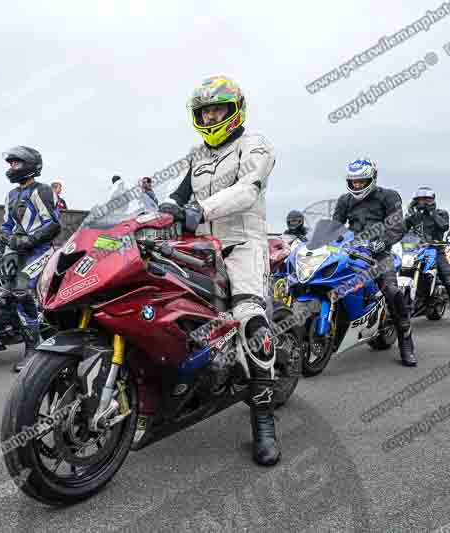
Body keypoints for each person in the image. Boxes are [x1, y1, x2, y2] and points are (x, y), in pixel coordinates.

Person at [158, 75, 281, 466]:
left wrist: (201, 210)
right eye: (205, 110)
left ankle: (263, 420)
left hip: (243, 244)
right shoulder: (197, 155)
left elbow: (249, 189)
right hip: (200, 248)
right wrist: (158, 211)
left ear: (235, 109)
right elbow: (176, 197)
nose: (211, 116)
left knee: (251, 322)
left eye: (218, 109)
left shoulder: (255, 145)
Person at [332, 158, 418, 366]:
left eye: (362, 181)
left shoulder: (388, 196)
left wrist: (381, 243)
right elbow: (334, 227)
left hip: (380, 253)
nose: (358, 186)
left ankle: (406, 340)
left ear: (372, 178)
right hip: (352, 251)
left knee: (391, 291)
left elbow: (397, 226)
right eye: (354, 182)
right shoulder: (345, 200)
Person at [0, 146, 61, 372]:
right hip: (18, 251)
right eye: (11, 164)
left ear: (29, 165)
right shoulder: (11, 195)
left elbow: (53, 225)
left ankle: (34, 348)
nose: (12, 168)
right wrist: (6, 240)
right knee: (4, 290)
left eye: (16, 163)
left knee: (21, 289)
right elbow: (6, 226)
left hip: (40, 250)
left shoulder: (42, 191)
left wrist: (28, 241)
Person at [405, 187, 450, 327]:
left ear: (432, 200)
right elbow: (402, 230)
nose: (423, 202)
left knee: (449, 281)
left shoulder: (441, 213)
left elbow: (443, 226)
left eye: (426, 199)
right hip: (416, 250)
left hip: (436, 250)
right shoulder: (415, 216)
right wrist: (409, 213)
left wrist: (431, 212)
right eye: (420, 200)